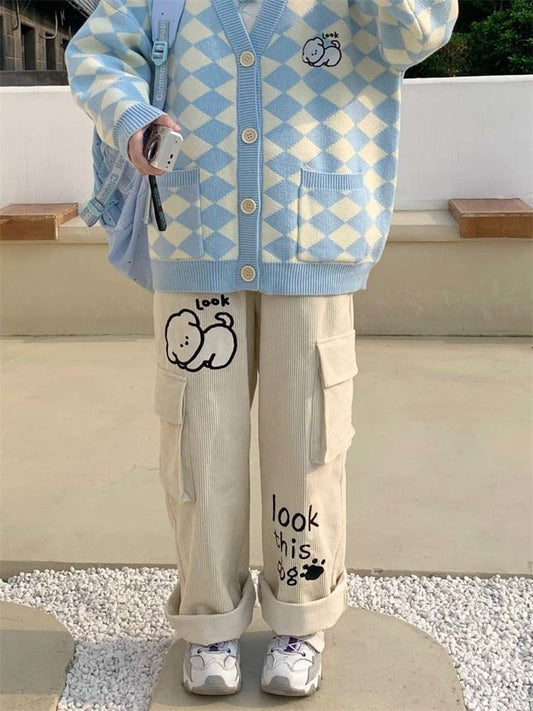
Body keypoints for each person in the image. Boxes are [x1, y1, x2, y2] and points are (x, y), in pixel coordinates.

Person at [65, 0, 458, 697]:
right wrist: (130, 115)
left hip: (315, 242)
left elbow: (421, 29)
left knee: (308, 441)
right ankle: (209, 619)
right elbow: (96, 52)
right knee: (199, 444)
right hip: (195, 245)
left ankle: (301, 617)